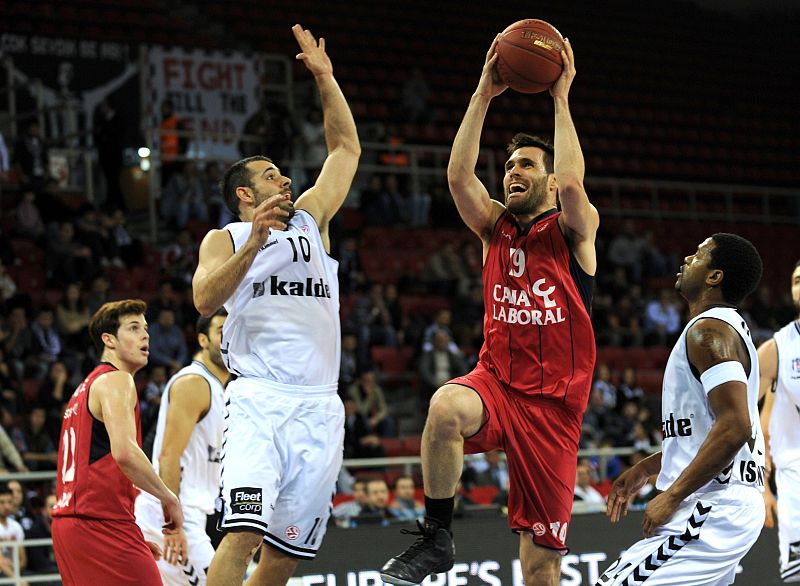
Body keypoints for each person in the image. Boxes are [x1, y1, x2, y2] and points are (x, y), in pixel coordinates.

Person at [381, 36, 598, 586]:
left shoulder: (573, 231)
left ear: (548, 179)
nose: (511, 171)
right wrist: (484, 92)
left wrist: (561, 96)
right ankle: (436, 537)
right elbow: (458, 177)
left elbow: (573, 182)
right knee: (445, 406)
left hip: (554, 410)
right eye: (508, 165)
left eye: (526, 163)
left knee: (540, 564)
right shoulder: (494, 229)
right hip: (497, 384)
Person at [192, 24, 360, 586]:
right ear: (245, 194)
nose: (285, 178)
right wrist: (257, 244)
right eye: (270, 176)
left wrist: (325, 77)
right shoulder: (226, 239)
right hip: (260, 401)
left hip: (319, 404)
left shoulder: (313, 218)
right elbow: (202, 299)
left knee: (286, 553)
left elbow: (344, 149)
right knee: (241, 533)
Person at [598, 234, 766, 585]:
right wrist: (648, 467)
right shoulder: (719, 329)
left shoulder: (709, 331)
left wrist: (673, 494)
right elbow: (708, 430)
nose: (687, 257)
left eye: (699, 254)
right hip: (723, 501)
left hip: (711, 505)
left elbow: (736, 427)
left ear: (714, 277)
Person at [51, 299, 185, 586]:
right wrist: (168, 497)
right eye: (134, 328)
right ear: (108, 339)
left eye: (146, 328)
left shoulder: (83, 389)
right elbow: (124, 453)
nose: (145, 335)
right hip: (99, 523)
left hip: (71, 526)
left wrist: (129, 537)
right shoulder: (117, 381)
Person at [135, 308, 229, 586]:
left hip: (191, 513)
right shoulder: (194, 383)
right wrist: (172, 526)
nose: (230, 340)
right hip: (171, 515)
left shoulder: (223, 389)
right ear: (203, 340)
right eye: (222, 332)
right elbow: (168, 456)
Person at [759, 260, 800, 583]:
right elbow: (751, 419)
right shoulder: (776, 349)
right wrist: (762, 483)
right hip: (793, 478)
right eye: (797, 280)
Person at [0, 482, 25, 578]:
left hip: (14, 571)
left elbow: (23, 560)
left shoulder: (16, 526)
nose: (6, 506)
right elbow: (1, 562)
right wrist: (18, 581)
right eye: (1, 502)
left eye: (9, 502)